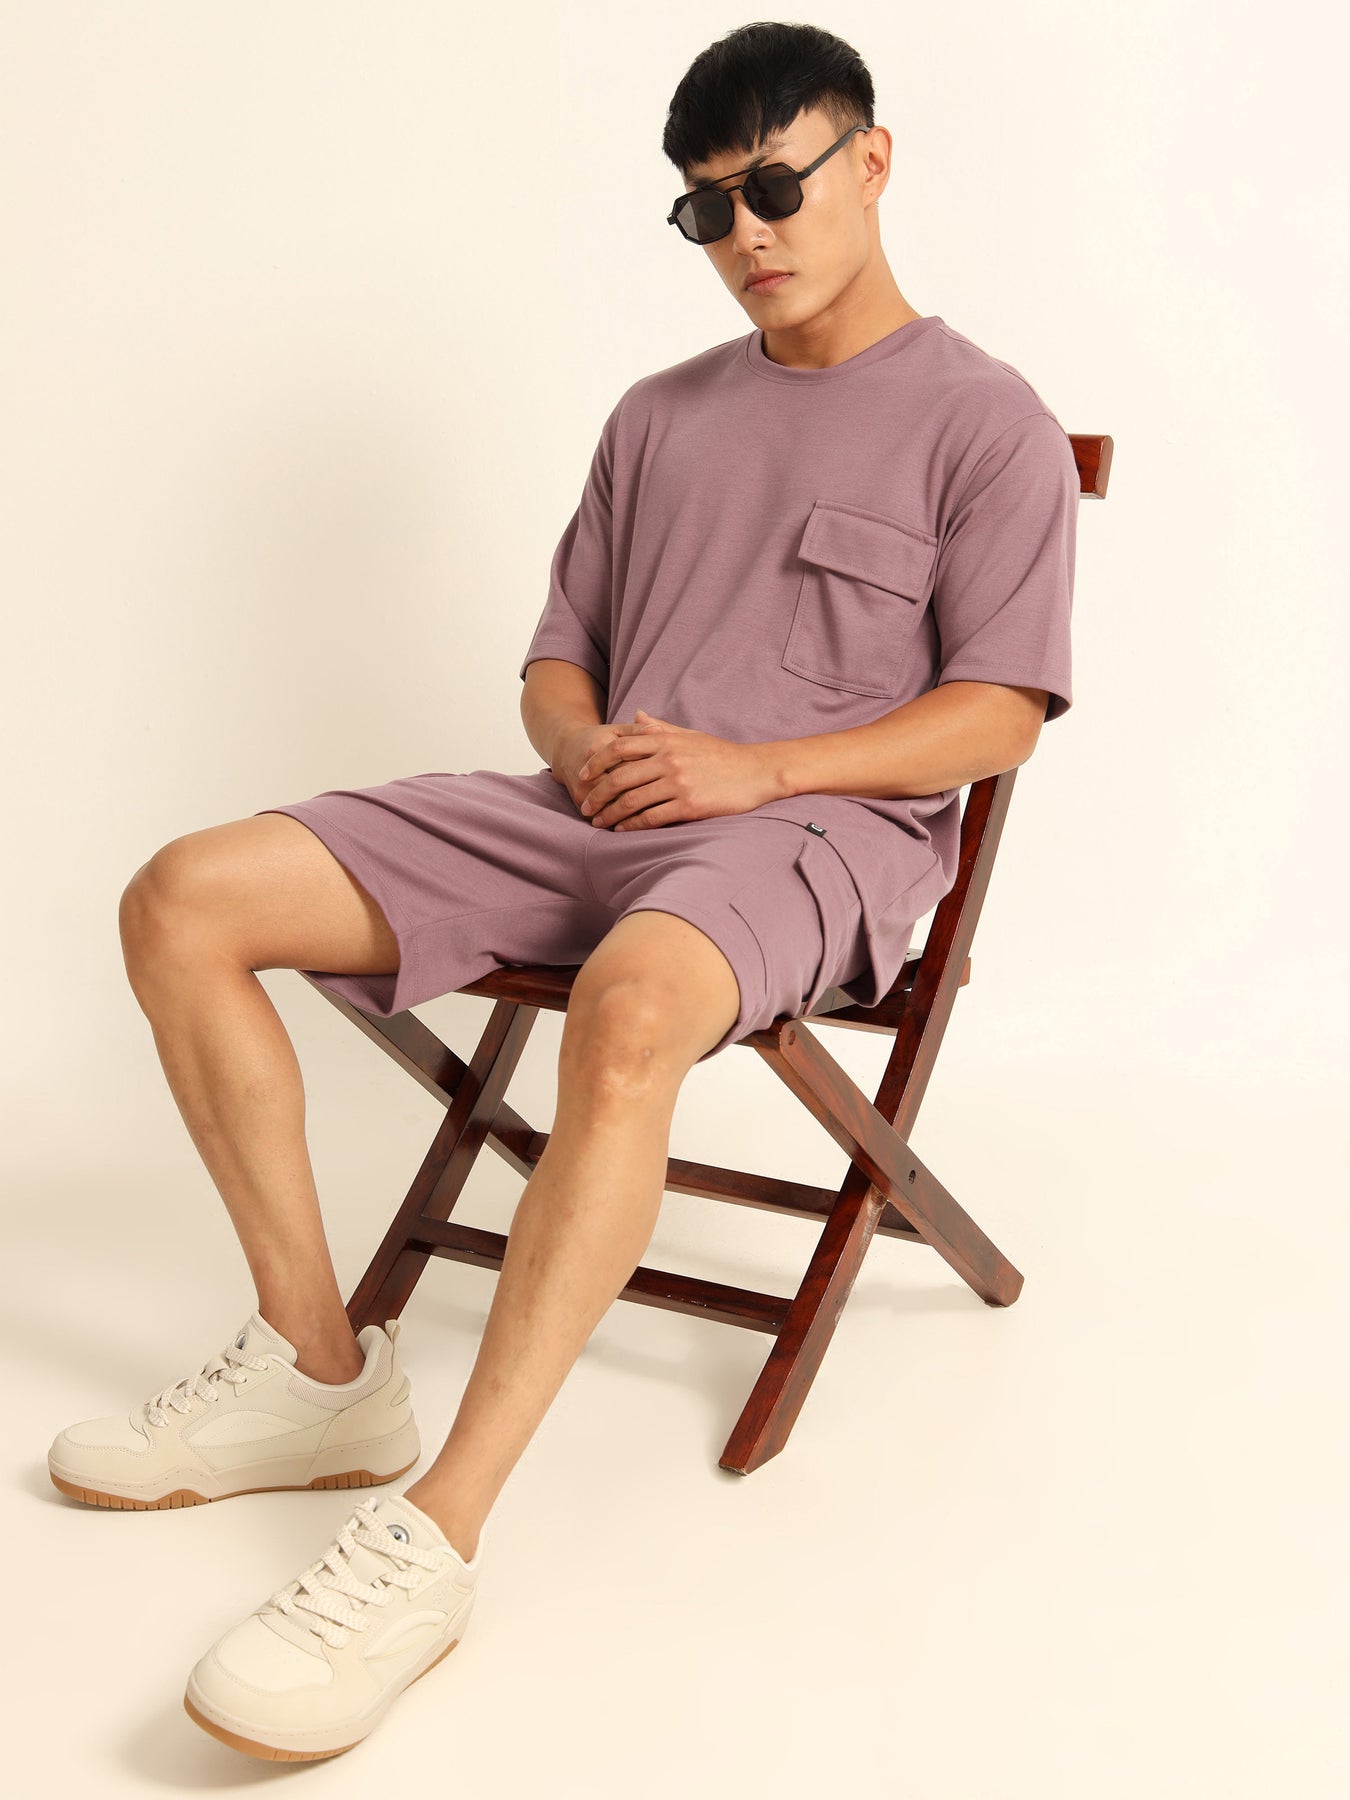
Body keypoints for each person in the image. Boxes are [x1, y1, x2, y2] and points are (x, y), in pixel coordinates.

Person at [48, 20, 1079, 1763]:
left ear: (870, 161)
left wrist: (758, 772)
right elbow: (553, 667)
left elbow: (998, 717)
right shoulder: (658, 415)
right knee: (182, 898)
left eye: (774, 187)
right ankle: (319, 1374)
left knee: (630, 1004)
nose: (746, 234)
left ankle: (432, 1537)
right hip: (587, 812)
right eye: (705, 209)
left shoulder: (987, 424)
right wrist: (585, 743)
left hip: (809, 840)